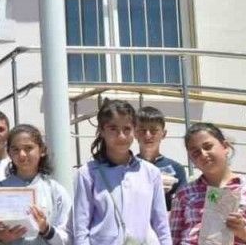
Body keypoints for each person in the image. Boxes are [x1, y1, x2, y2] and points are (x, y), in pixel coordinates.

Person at [72, 100, 172, 245]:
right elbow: (81, 229)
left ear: (134, 131)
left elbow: (161, 225)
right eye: (113, 128)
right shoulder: (87, 174)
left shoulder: (151, 173)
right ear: (102, 130)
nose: (121, 136)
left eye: (127, 129)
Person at [169, 123, 246, 245]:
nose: (203, 154)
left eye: (208, 147)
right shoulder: (184, 194)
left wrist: (243, 231)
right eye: (195, 152)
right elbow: (171, 238)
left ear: (225, 147)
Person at [0, 124, 70, 245]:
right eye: (15, 149)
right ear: (9, 153)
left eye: (28, 148)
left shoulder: (55, 191)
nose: (22, 155)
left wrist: (46, 229)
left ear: (42, 150)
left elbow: (68, 237)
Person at [137, 106, 188, 210]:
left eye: (153, 131)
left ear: (163, 134)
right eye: (142, 130)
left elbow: (182, 205)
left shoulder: (176, 168)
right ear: (135, 133)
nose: (148, 135)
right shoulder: (126, 166)